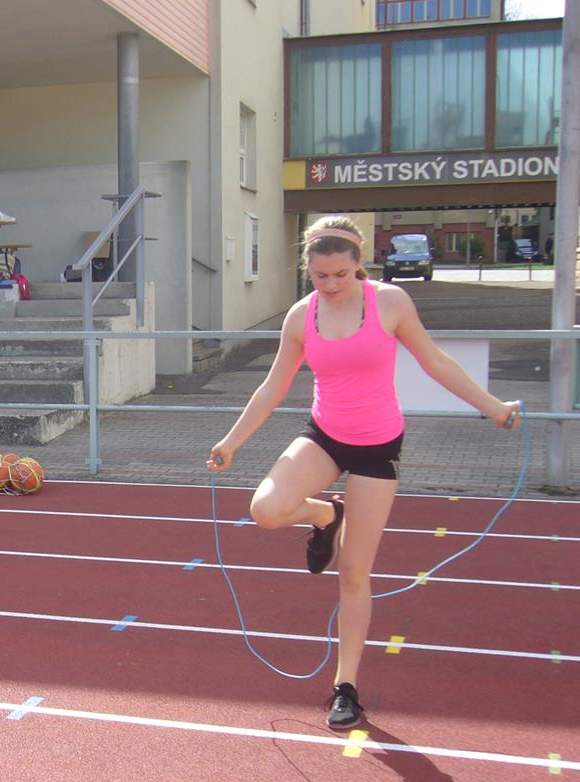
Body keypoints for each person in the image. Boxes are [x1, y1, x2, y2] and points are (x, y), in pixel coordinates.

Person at [206, 216, 520, 730]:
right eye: (320, 276)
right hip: (325, 435)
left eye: (341, 274)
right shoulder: (301, 316)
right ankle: (325, 516)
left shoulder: (390, 303)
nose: (330, 285)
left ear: (359, 265)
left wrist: (493, 406)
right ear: (307, 269)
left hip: (377, 447)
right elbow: (272, 387)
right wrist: (231, 442)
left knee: (354, 572)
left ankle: (344, 686)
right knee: (265, 510)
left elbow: (436, 362)